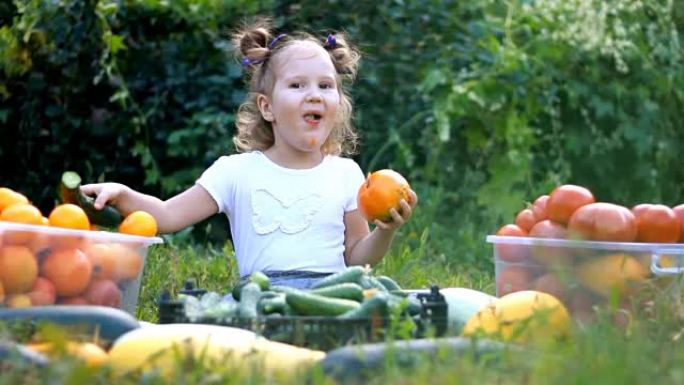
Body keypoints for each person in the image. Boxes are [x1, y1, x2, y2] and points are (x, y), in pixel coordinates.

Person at [81, 19, 418, 290]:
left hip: (334, 296)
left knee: (390, 301)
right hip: (260, 297)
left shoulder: (346, 174)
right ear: (267, 107)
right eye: (297, 85)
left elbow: (356, 259)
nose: (314, 95)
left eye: (325, 86)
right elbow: (167, 216)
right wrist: (123, 195)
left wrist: (385, 230)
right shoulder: (235, 172)